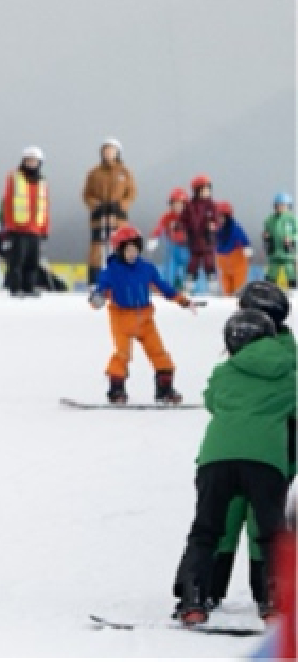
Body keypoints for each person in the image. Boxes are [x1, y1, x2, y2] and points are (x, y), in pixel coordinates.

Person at [172, 308, 294, 625]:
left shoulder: (225, 370)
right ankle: (273, 603)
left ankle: (193, 601)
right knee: (270, 533)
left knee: (206, 529)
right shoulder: (288, 373)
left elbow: (212, 400)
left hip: (217, 457)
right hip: (266, 460)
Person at [199, 281, 297, 611]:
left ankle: (210, 590)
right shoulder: (282, 350)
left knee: (236, 518)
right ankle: (266, 594)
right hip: (272, 451)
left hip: (267, 448)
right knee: (258, 520)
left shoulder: (265, 354)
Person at [89, 226, 195, 404]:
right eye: (127, 249)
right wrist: (97, 298)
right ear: (119, 250)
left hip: (145, 319)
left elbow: (162, 286)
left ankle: (165, 388)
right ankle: (116, 389)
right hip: (121, 319)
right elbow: (101, 290)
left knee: (158, 352)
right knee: (122, 354)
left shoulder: (147, 269)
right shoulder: (111, 271)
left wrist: (181, 300)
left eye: (135, 249)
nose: (132, 253)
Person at [81, 137, 136, 284]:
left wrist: (122, 205)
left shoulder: (125, 172)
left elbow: (131, 193)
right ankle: (95, 280)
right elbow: (87, 194)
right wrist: (95, 204)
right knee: (97, 249)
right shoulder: (94, 172)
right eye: (106, 150)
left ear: (118, 152)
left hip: (118, 217)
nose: (108, 153)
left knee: (120, 247)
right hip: (99, 216)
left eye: (112, 150)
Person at [0, 147, 50, 297]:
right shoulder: (14, 177)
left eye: (34, 161)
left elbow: (45, 205)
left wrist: (45, 228)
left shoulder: (42, 181)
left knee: (32, 261)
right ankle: (16, 287)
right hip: (19, 228)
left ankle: (29, 287)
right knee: (17, 260)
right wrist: (9, 225)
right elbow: (7, 203)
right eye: (28, 160)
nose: (31, 163)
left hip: (36, 229)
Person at [181, 175, 219, 294]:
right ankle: (188, 287)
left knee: (209, 264)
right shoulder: (190, 205)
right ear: (197, 191)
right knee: (192, 264)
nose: (206, 192)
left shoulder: (211, 205)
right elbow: (184, 219)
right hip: (194, 242)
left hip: (207, 241)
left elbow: (216, 220)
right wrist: (181, 227)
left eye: (208, 189)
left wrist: (213, 225)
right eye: (203, 190)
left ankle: (213, 288)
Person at [147, 188, 190, 291]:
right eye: (175, 204)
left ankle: (187, 288)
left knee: (188, 270)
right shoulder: (167, 216)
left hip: (188, 248)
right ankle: (168, 287)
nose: (178, 207)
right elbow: (159, 227)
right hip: (172, 247)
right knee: (169, 269)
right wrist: (154, 238)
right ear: (171, 204)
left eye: (181, 204)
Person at [213, 202, 252, 296]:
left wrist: (248, 252)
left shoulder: (236, 229)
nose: (221, 219)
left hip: (237, 264)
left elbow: (246, 241)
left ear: (228, 216)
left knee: (239, 290)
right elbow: (214, 243)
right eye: (219, 216)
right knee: (226, 291)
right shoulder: (218, 230)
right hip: (224, 264)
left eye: (223, 216)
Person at [264, 191, 297, 288]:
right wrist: (266, 236)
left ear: (288, 206)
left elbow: (297, 233)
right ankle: (269, 289)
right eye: (278, 205)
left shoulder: (292, 219)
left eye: (283, 205)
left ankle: (293, 288)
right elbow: (267, 232)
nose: (280, 208)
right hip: (274, 252)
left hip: (288, 253)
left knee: (290, 271)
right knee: (272, 272)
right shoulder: (269, 220)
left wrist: (292, 239)